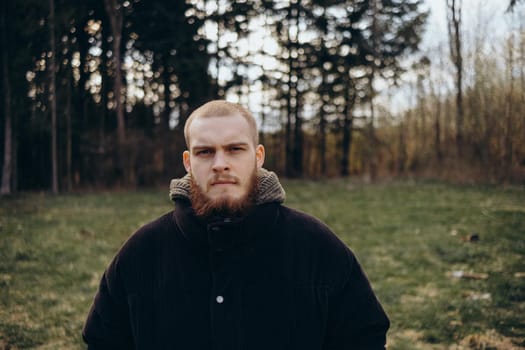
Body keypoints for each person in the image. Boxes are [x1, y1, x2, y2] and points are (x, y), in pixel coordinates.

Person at [83, 100, 390, 349]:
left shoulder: (317, 247)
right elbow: (103, 340)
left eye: (234, 149)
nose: (220, 163)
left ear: (258, 157)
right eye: (206, 152)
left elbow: (364, 337)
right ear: (188, 163)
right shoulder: (142, 254)